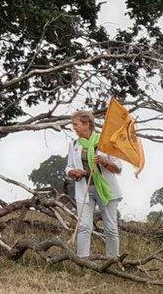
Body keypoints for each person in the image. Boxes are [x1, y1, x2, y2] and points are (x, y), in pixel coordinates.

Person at [65, 109, 122, 259]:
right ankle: (83, 261)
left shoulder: (105, 142)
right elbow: (68, 167)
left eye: (76, 124)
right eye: (73, 124)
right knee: (84, 226)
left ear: (87, 124)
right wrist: (73, 172)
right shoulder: (74, 145)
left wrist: (105, 161)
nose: (74, 127)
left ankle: (113, 260)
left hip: (107, 190)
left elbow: (118, 168)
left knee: (110, 228)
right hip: (84, 190)